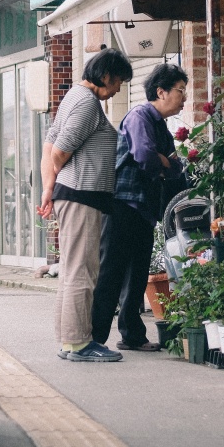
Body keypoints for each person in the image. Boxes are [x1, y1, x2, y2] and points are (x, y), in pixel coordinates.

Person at [38, 48, 134, 363]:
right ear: (105, 75)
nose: (119, 88)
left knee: (71, 269)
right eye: (119, 80)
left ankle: (70, 341)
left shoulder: (72, 97)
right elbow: (59, 151)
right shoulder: (86, 103)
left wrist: (49, 188)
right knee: (82, 270)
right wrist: (52, 184)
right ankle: (79, 343)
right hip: (82, 195)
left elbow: (49, 143)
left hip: (72, 194)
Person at [91, 63, 188, 352]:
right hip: (122, 203)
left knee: (137, 272)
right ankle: (93, 339)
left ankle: (132, 335)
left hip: (144, 207)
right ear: (161, 91)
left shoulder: (160, 125)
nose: (184, 97)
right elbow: (145, 156)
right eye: (180, 91)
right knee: (111, 272)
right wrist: (165, 162)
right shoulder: (139, 116)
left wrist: (166, 163)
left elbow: (175, 167)